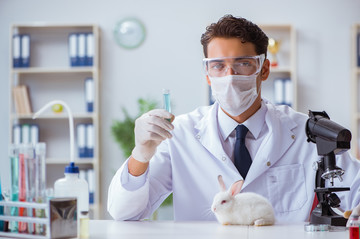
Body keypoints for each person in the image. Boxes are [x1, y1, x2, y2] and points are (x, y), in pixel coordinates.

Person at [108, 14, 360, 223]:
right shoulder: (181, 133)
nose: (229, 75)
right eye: (218, 66)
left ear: (264, 69)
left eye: (243, 64)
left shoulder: (307, 132)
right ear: (207, 73)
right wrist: (140, 154)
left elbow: (356, 191)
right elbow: (124, 213)